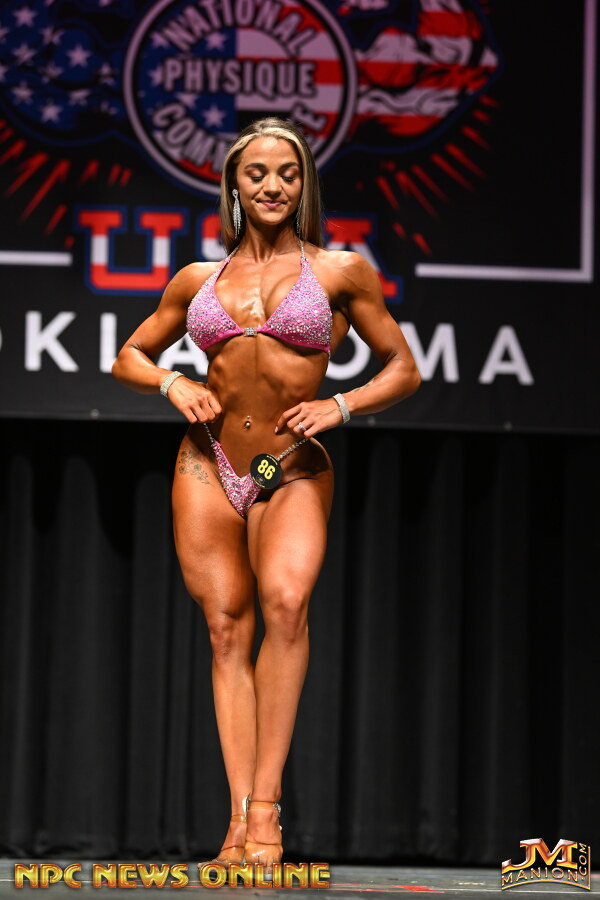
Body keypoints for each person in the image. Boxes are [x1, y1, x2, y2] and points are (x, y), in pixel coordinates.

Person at [111, 117, 421, 877]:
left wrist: (341, 405)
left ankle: (266, 810)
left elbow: (403, 367)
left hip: (292, 461)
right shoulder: (197, 280)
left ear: (304, 183)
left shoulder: (341, 271)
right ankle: (235, 820)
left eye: (288, 172)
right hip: (207, 461)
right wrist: (171, 381)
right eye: (257, 173)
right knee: (226, 632)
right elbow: (129, 355)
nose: (273, 185)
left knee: (285, 605)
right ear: (234, 185)